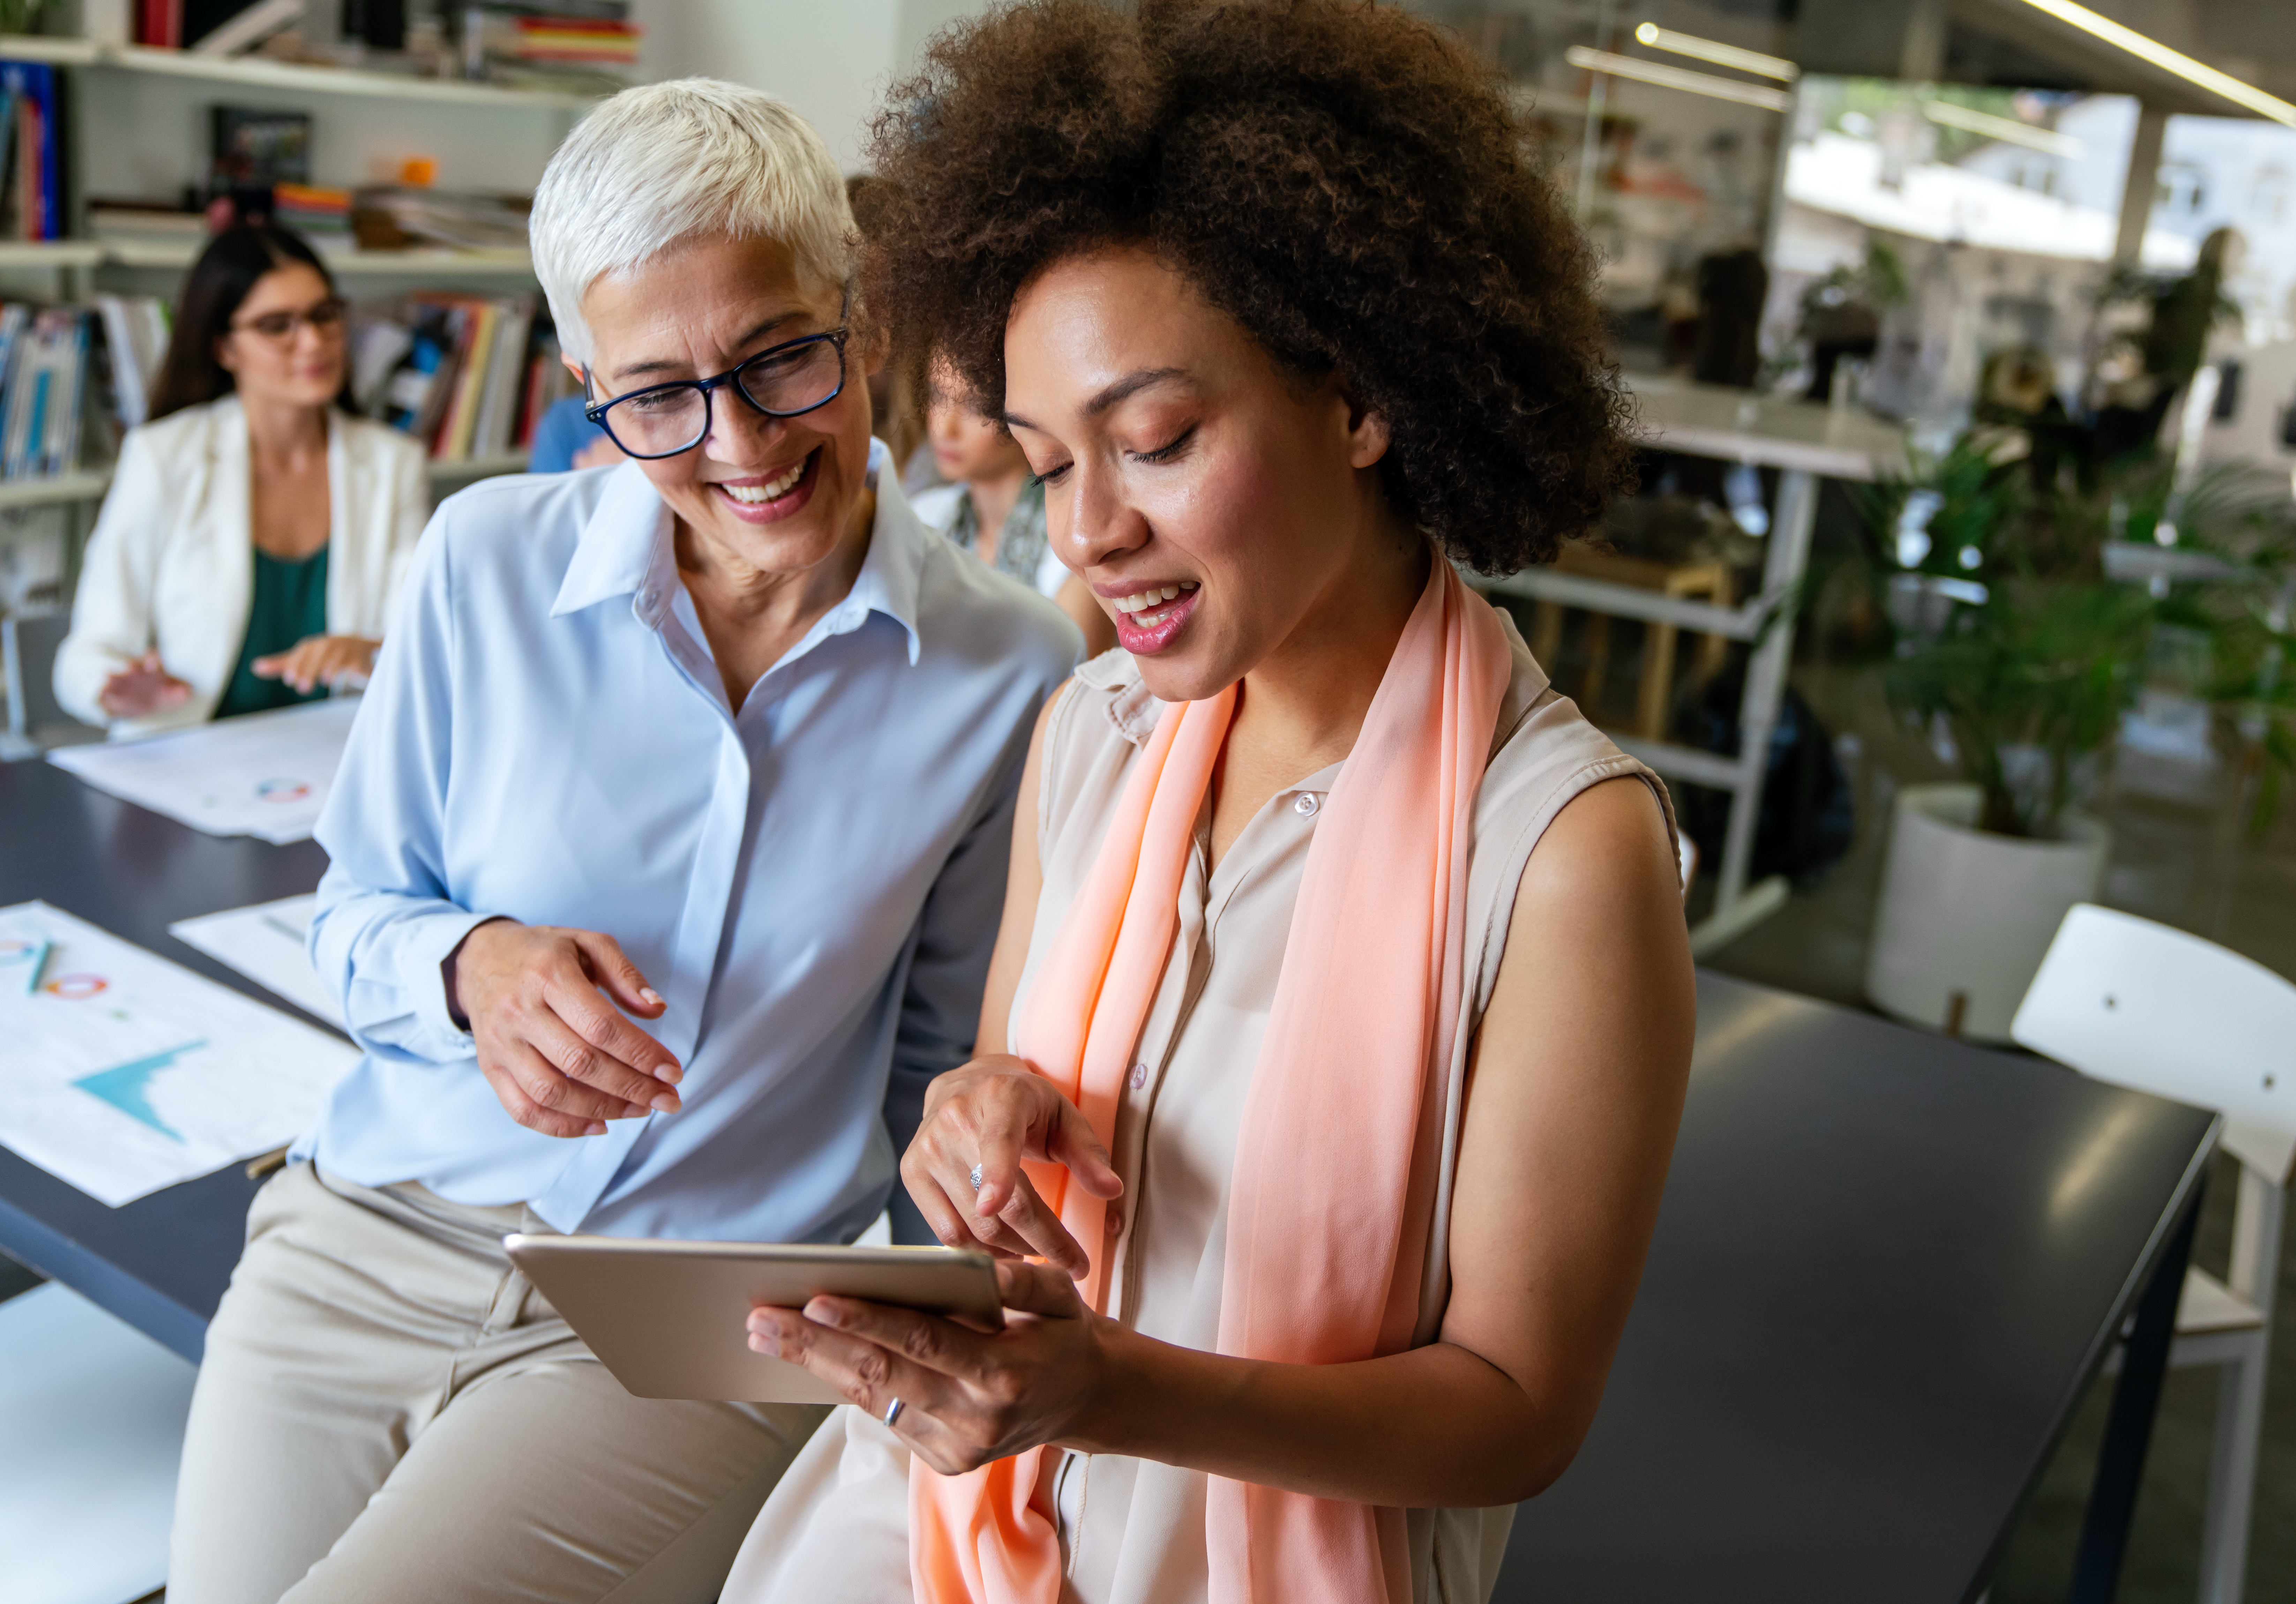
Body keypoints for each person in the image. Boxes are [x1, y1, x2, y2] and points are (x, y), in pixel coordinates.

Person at [721, 4, 1696, 1601]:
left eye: (1155, 440)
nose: (1088, 531)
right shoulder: (1090, 730)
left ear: (1363, 398)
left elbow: (1517, 1414)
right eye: (1047, 462)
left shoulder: (1563, 856)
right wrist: (974, 1123)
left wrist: (1117, 1394)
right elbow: (1003, 1077)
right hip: (955, 1507)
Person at [165, 79, 1079, 1604]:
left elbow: (939, 1073)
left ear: (858, 318)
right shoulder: (478, 563)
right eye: (655, 394)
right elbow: (352, 917)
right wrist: (471, 965)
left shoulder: (1007, 667)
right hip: (362, 1235)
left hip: (696, 1316)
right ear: (584, 379)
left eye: (783, 357)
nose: (737, 443)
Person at [54, 224, 429, 736]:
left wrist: (369, 652)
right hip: (187, 758)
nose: (314, 341)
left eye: (324, 315)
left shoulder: (394, 464)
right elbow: (85, 655)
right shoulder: (163, 457)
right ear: (225, 348)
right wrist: (115, 688)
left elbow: (417, 644)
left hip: (337, 758)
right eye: (278, 325)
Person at [913, 357, 1114, 654]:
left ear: (1022, 412)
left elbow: (1070, 678)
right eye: (937, 396)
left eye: (975, 406)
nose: (945, 428)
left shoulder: (1074, 537)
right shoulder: (923, 516)